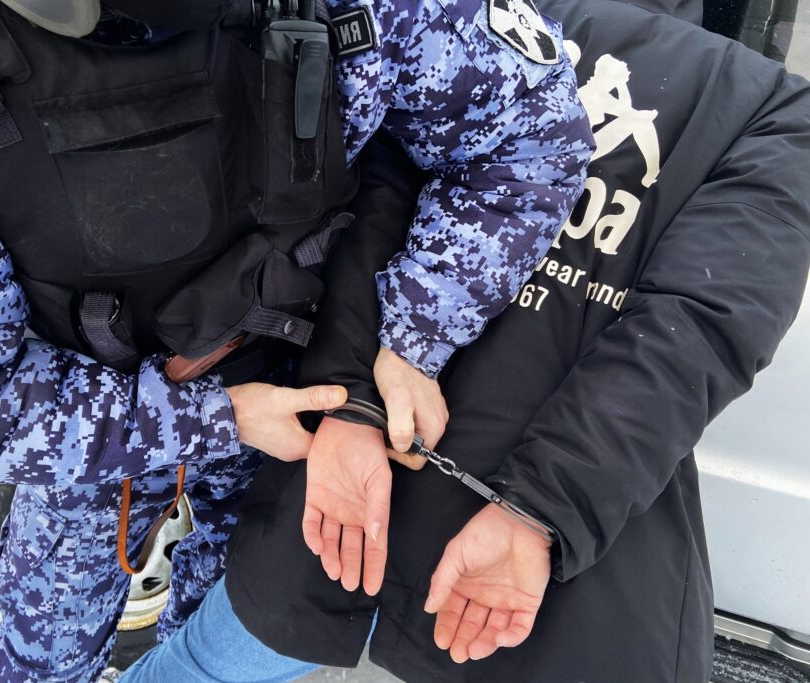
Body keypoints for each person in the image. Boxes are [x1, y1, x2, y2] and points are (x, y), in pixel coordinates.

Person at [0, 0, 590, 680]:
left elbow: (531, 137)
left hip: (300, 381)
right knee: (46, 641)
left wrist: (411, 336)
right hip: (92, 412)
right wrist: (209, 416)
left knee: (223, 628)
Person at [119, 0, 810, 680]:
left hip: (346, 498)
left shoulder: (489, 13)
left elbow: (375, 193)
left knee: (205, 664)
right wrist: (541, 509)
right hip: (517, 571)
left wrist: (352, 399)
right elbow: (690, 337)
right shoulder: (778, 112)